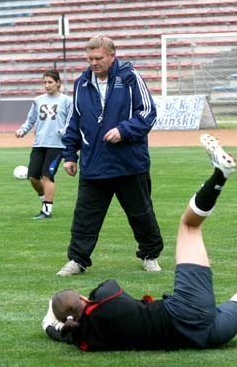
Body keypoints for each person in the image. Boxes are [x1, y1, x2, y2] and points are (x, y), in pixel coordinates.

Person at [42, 134, 237, 351]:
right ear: (83, 301)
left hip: (207, 337)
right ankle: (220, 175)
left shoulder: (85, 340)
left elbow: (59, 332)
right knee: (189, 225)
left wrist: (52, 324)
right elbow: (103, 294)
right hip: (184, 310)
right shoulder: (104, 299)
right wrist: (54, 315)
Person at [57, 35, 163, 276]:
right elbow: (75, 120)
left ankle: (150, 255)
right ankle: (77, 260)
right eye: (89, 58)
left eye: (98, 58)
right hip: (94, 163)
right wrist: (70, 154)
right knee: (84, 217)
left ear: (112, 56)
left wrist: (123, 131)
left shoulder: (130, 78)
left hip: (130, 163)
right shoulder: (81, 83)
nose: (93, 63)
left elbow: (148, 113)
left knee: (141, 214)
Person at [15, 69, 72, 219]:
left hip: (57, 145)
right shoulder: (38, 100)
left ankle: (47, 210)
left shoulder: (67, 101)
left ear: (58, 83)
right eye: (45, 82)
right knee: (33, 177)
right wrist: (22, 130)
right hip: (39, 143)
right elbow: (31, 120)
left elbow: (71, 121)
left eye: (50, 82)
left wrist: (63, 131)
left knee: (47, 176)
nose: (47, 85)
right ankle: (44, 197)